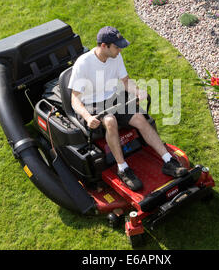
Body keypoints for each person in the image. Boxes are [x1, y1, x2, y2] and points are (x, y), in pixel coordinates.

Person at [68, 26, 188, 191]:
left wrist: (138, 91)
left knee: (139, 117)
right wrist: (88, 117)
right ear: (104, 46)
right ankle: (122, 168)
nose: (120, 49)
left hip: (113, 97)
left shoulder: (116, 56)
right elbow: (74, 99)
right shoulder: (83, 63)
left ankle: (168, 160)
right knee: (110, 121)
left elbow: (125, 82)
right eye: (117, 46)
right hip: (91, 103)